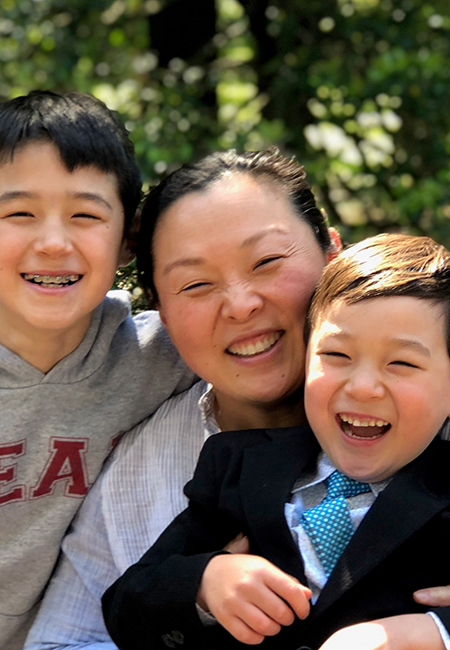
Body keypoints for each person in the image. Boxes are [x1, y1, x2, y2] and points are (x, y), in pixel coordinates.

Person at [24, 151, 450, 650]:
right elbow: (66, 640)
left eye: (268, 261)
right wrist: (201, 587)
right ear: (159, 310)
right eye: (196, 284)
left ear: (334, 255)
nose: (241, 304)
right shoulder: (146, 471)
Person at [102, 233, 450, 650]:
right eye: (336, 356)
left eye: (402, 363)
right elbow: (125, 605)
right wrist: (204, 584)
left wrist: (436, 633)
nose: (362, 387)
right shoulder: (237, 464)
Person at [0, 90, 194, 650]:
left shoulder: (161, 356)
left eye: (85, 215)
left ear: (130, 238)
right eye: (19, 213)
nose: (54, 242)